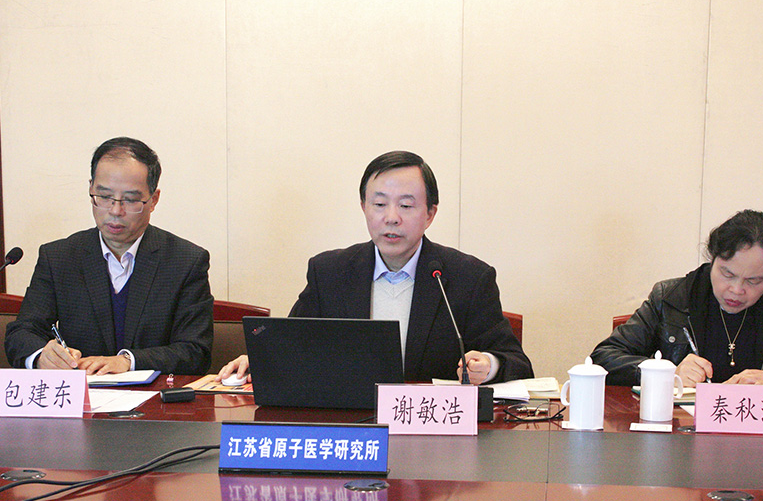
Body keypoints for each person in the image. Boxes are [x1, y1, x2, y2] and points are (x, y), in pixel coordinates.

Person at [218, 150, 533, 385]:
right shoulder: (329, 272)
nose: (391, 217)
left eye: (406, 205)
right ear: (363, 207)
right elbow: (293, 343)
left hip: (432, 434)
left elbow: (518, 363)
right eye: (379, 204)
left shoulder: (468, 278)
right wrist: (259, 360)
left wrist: (488, 365)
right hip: (348, 424)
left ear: (430, 214)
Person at [590, 210, 763, 396]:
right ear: (713, 259)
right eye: (727, 274)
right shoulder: (673, 297)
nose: (736, 290)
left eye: (754, 280)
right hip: (683, 437)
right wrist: (665, 372)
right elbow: (603, 358)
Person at [4, 137, 213, 374]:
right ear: (91, 189)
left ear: (153, 200)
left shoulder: (185, 261)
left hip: (154, 396)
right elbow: (21, 333)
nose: (115, 211)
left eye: (130, 200)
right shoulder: (59, 257)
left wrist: (128, 361)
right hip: (81, 394)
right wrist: (42, 356)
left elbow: (196, 352)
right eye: (104, 197)